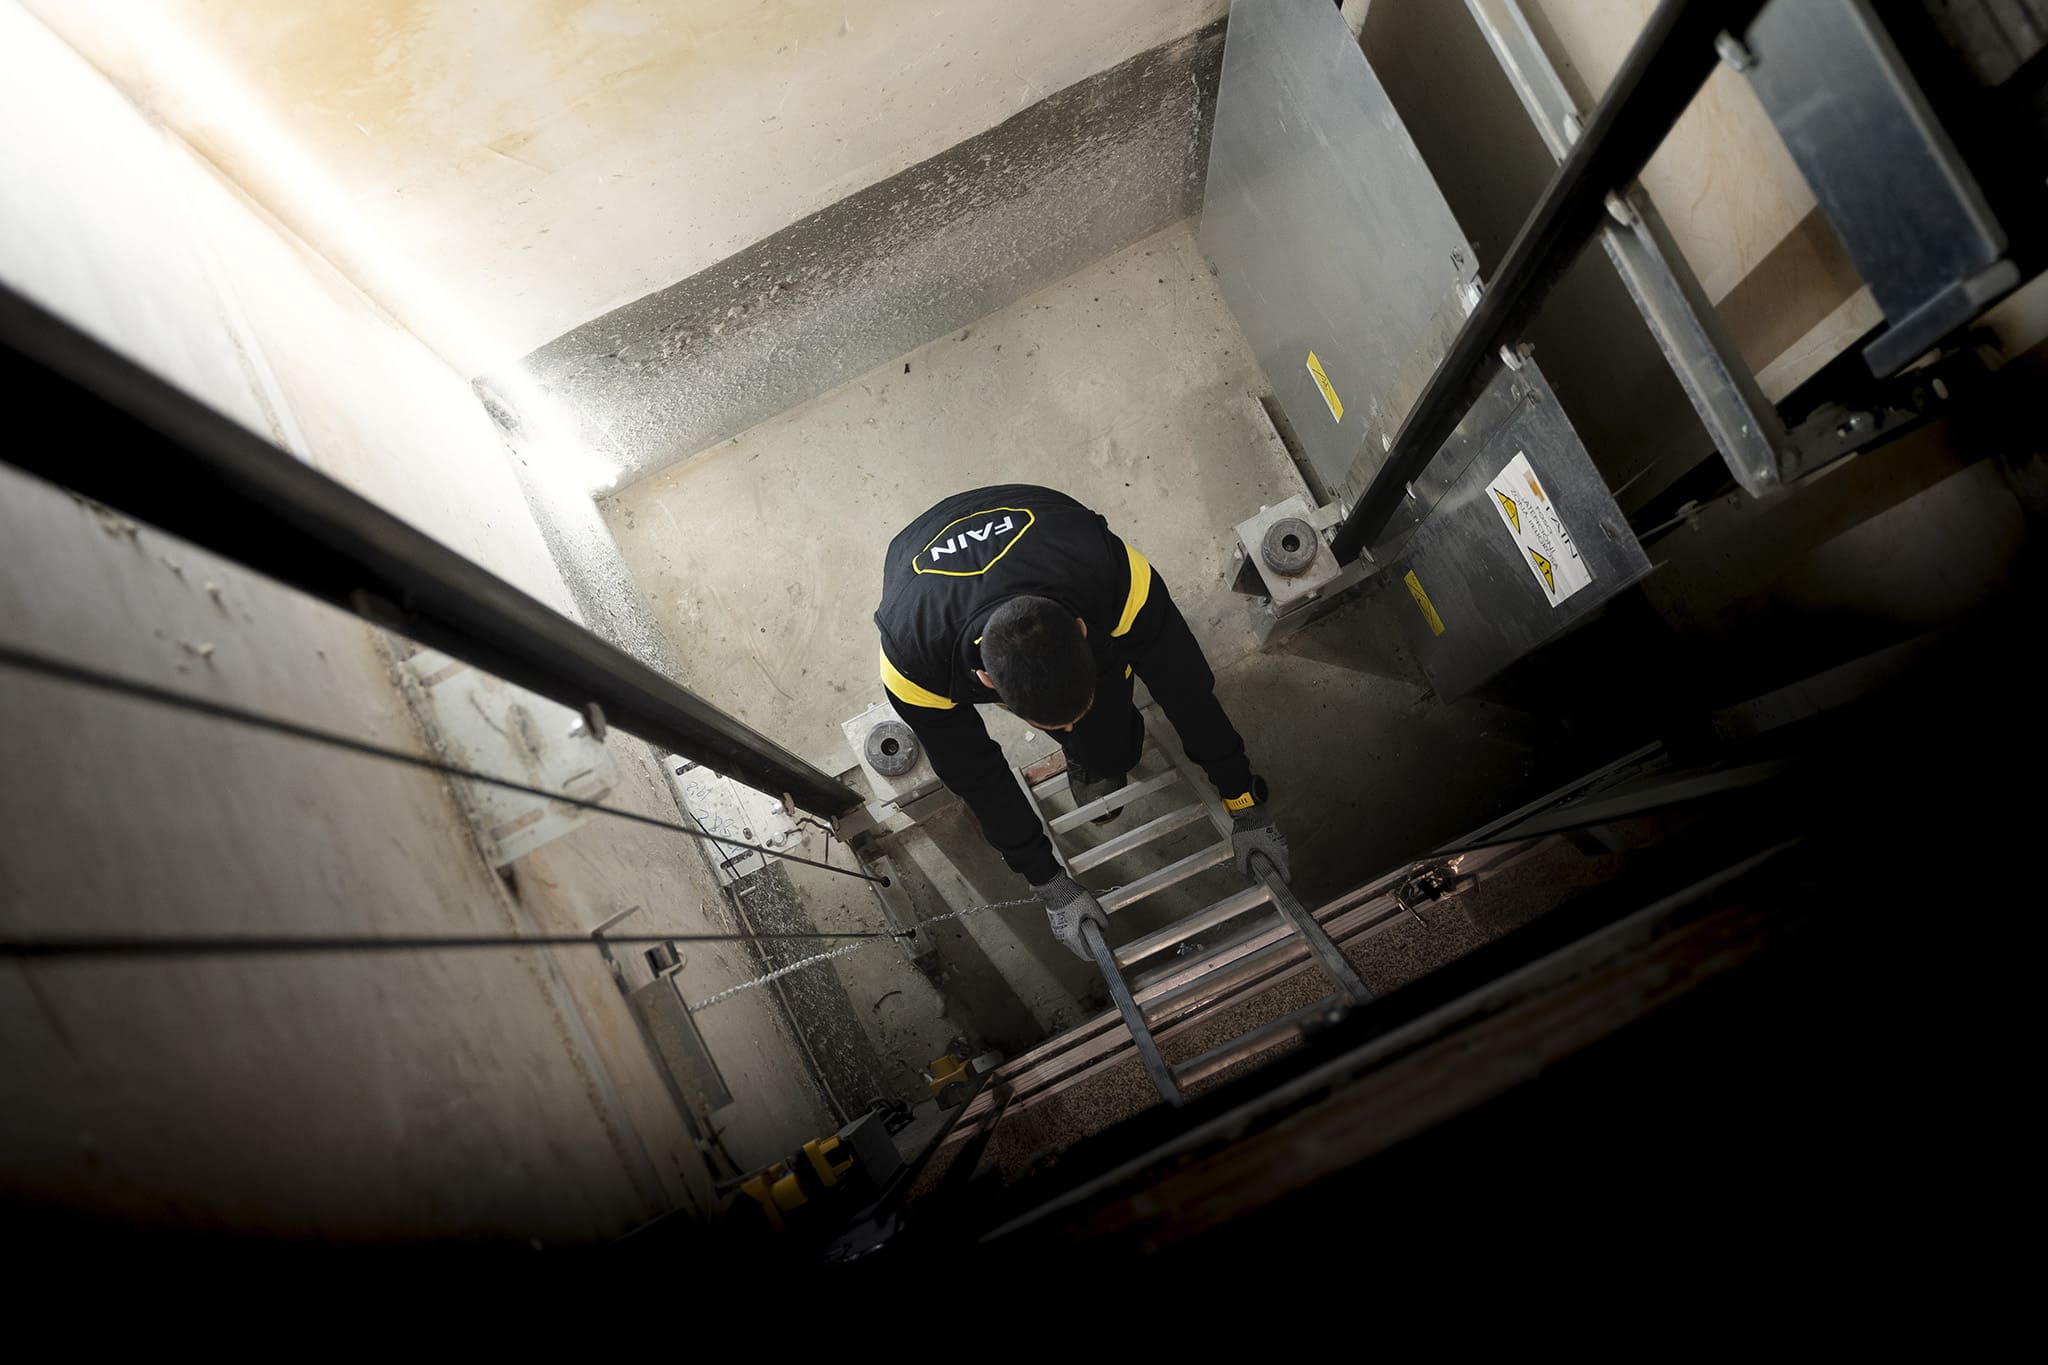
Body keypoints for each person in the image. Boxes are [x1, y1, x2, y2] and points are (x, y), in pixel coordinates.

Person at [873, 484, 1288, 959]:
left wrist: (1242, 798)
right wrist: (1047, 881)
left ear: (1083, 630)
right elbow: (975, 774)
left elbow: (1185, 686)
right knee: (1074, 739)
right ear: (986, 681)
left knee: (1108, 741)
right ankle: (1095, 745)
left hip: (1043, 522)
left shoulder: (1111, 573)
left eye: (1074, 714)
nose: (1065, 731)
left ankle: (1100, 753)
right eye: (1056, 725)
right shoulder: (911, 660)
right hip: (917, 565)